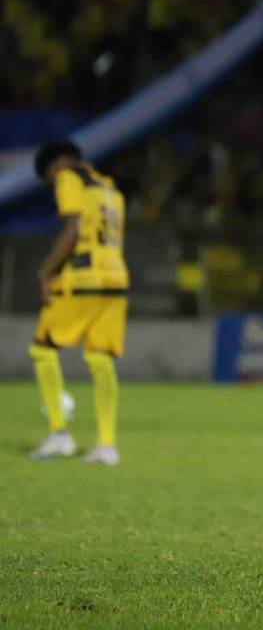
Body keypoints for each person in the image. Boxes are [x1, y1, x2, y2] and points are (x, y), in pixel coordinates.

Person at [27, 141, 128, 466]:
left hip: (84, 275)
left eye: (49, 176)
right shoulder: (110, 188)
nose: (52, 182)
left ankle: (59, 435)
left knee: (43, 349)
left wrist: (46, 272)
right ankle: (107, 445)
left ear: (55, 164)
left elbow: (72, 230)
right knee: (100, 359)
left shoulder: (68, 178)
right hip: (116, 277)